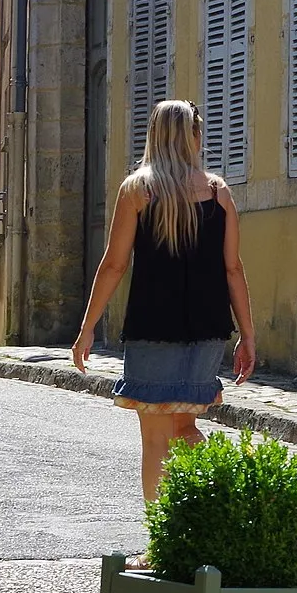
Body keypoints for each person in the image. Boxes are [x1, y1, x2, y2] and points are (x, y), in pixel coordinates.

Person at [72, 100, 259, 504]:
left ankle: (163, 539)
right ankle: (230, 491)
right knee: (184, 428)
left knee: (156, 441)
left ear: (154, 135)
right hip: (207, 328)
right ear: (192, 136)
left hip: (151, 327)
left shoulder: (138, 190)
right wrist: (247, 335)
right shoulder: (218, 192)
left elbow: (113, 265)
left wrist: (87, 328)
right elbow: (233, 270)